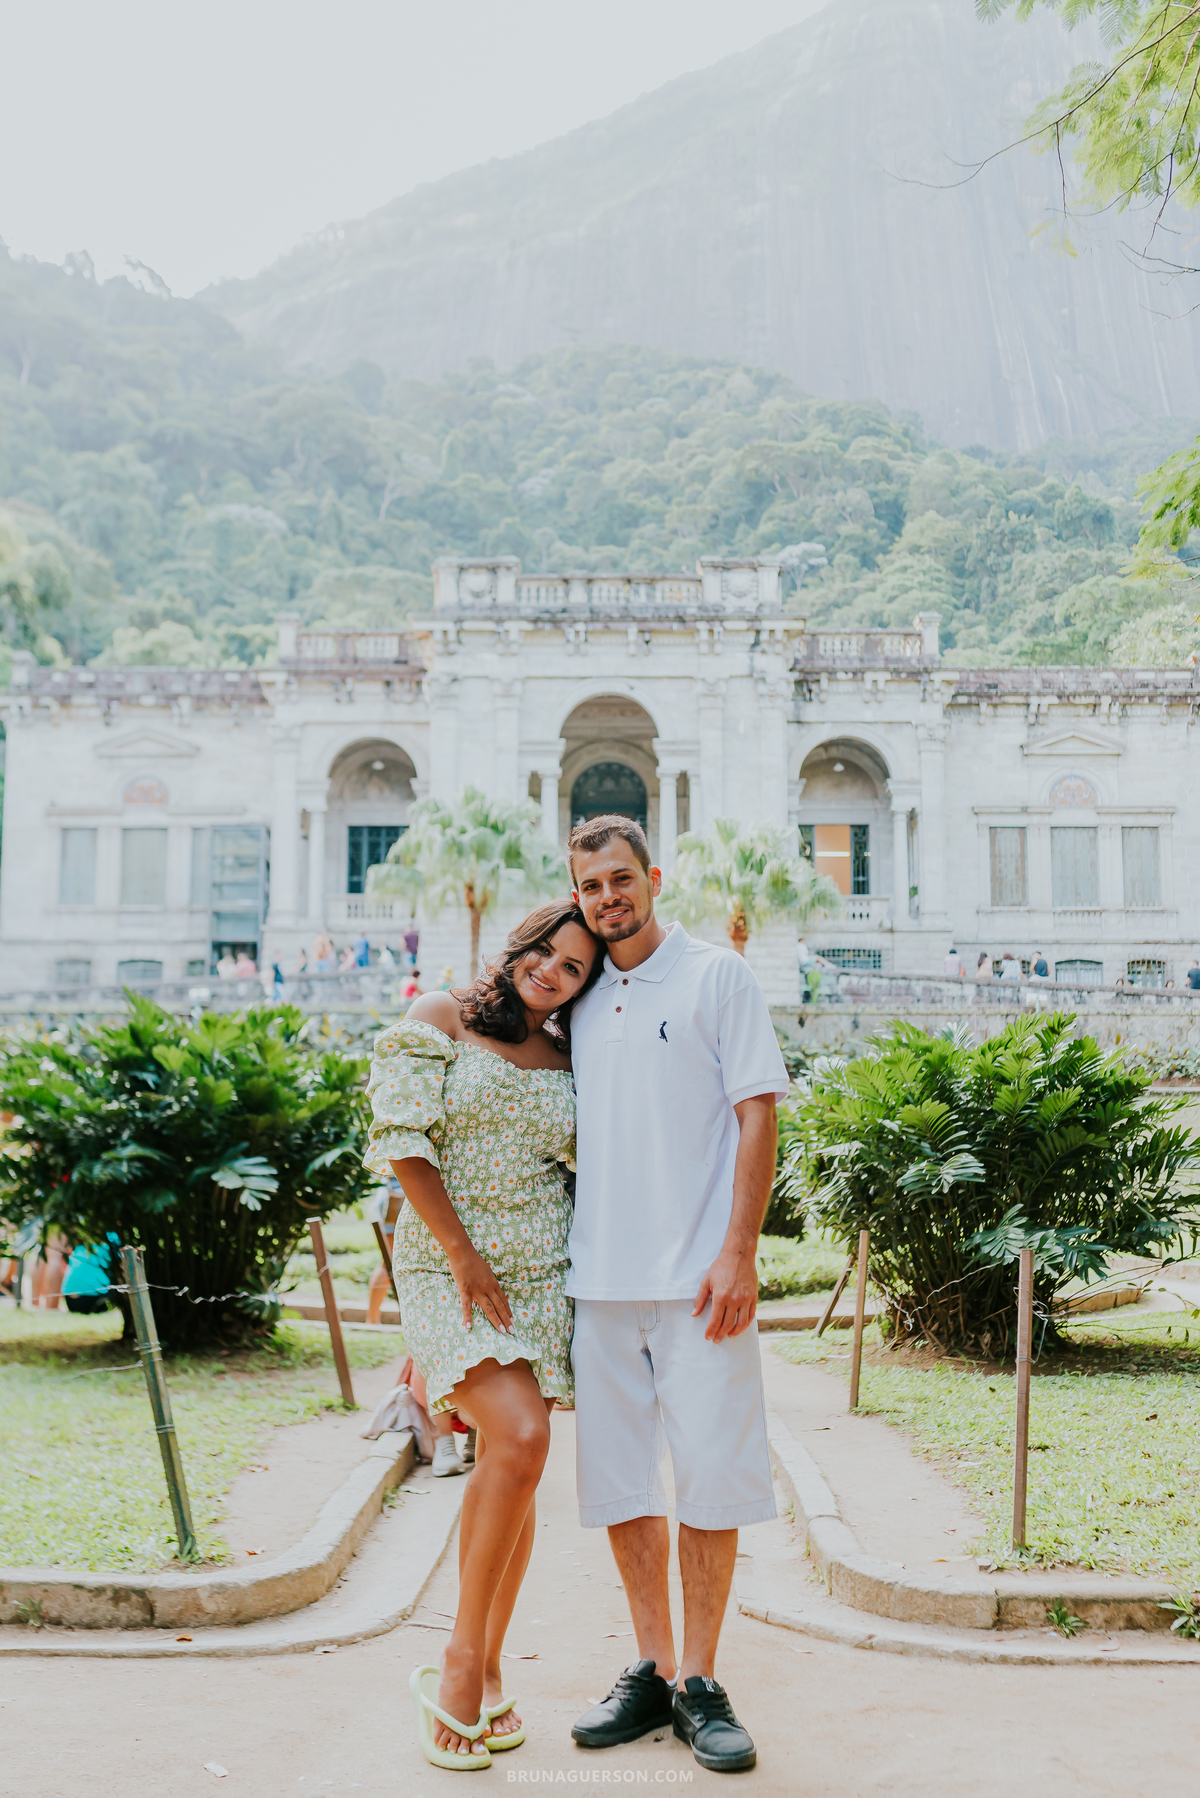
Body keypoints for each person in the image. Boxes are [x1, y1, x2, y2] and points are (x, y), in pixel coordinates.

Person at [566, 815, 787, 1777]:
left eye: (621, 879)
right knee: (620, 1482)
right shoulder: (571, 997)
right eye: (590, 887)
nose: (607, 898)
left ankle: (700, 1681)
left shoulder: (716, 977)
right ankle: (651, 1667)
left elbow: (758, 1112)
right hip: (600, 1282)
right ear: (576, 897)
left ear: (653, 877)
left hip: (702, 1284)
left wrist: (738, 1253)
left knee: (712, 1479)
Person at [363, 898, 604, 1770]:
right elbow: (402, 1141)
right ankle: (461, 1659)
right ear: (521, 943)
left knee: (519, 1459)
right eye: (547, 950)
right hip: (448, 1268)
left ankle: (492, 1661)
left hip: (542, 1276)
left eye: (574, 967)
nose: (552, 970)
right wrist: (462, 1253)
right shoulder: (439, 1017)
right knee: (525, 1435)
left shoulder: (569, 1055)